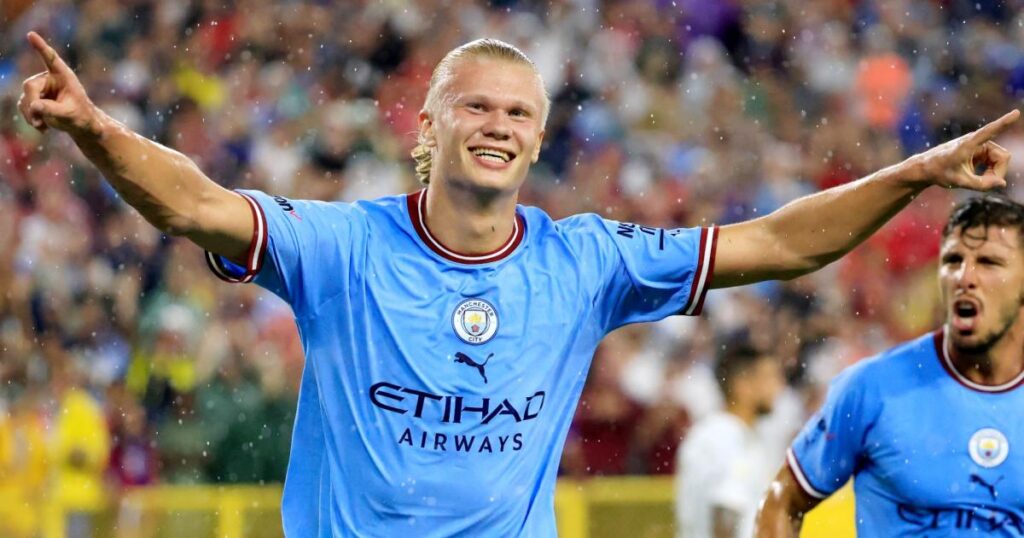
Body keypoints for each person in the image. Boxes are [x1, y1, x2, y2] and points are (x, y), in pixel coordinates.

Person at [17, 30, 1018, 536]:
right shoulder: (342, 248)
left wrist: (917, 172)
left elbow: (774, 245)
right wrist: (98, 131)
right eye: (478, 107)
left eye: (519, 113)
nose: (499, 126)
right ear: (430, 129)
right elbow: (195, 205)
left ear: (538, 138)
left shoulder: (584, 260)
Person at [756, 194, 1024, 536]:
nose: (964, 277)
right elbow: (782, 499)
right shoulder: (874, 387)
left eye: (989, 262)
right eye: (953, 260)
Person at [676, 342, 785, 538]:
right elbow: (726, 511)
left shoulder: (722, 433)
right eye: (769, 377)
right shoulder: (727, 437)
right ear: (742, 385)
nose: (778, 387)